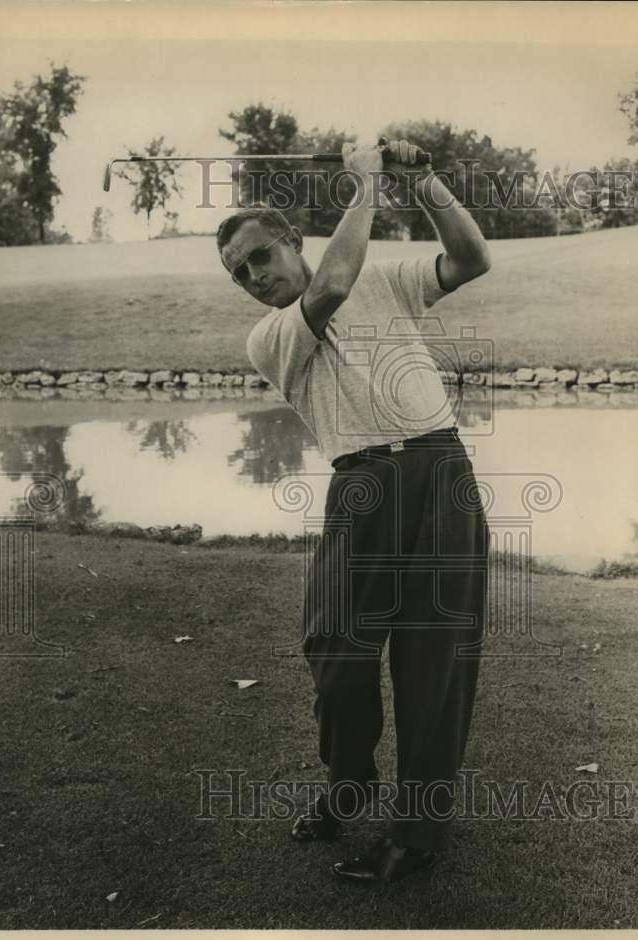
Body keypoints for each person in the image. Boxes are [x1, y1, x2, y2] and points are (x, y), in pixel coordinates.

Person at [216, 138, 491, 884]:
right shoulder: (269, 335)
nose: (252, 278)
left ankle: (416, 837)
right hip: (362, 484)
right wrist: (367, 183)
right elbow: (334, 283)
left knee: (434, 664)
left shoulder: (388, 280)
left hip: (441, 471)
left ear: (289, 242)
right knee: (334, 646)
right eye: (239, 273)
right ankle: (349, 777)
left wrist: (422, 179)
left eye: (260, 258)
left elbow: (470, 259)